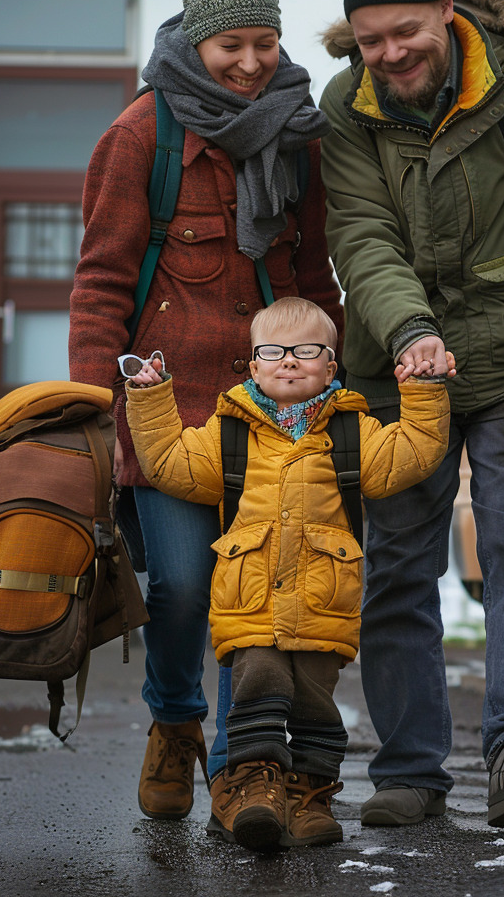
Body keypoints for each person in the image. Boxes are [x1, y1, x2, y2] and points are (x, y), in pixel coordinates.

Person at [318, 0, 504, 830]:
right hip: (402, 372)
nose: (392, 53)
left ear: (448, 13)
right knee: (398, 565)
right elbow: (360, 236)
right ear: (354, 42)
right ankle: (410, 770)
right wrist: (408, 333)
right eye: (372, 41)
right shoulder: (346, 109)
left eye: (407, 31)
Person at [68, 0, 344, 824]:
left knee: (260, 604)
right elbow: (102, 283)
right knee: (185, 588)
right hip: (171, 420)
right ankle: (176, 724)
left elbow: (312, 280)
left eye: (266, 42)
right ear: (196, 39)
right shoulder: (142, 137)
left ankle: (241, 767)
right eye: (233, 43)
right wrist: (93, 416)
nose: (252, 63)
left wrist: (333, 389)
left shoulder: (296, 136)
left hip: (278, 421)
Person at [123, 296, 452, 851]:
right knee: (258, 687)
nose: (289, 361)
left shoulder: (353, 432)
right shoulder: (227, 435)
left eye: (306, 351)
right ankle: (252, 788)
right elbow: (169, 464)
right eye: (273, 351)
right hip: (249, 606)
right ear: (253, 365)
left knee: (315, 705)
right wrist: (152, 399)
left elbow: (414, 452)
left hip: (325, 607)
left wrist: (424, 393)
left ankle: (309, 797)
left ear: (332, 364)